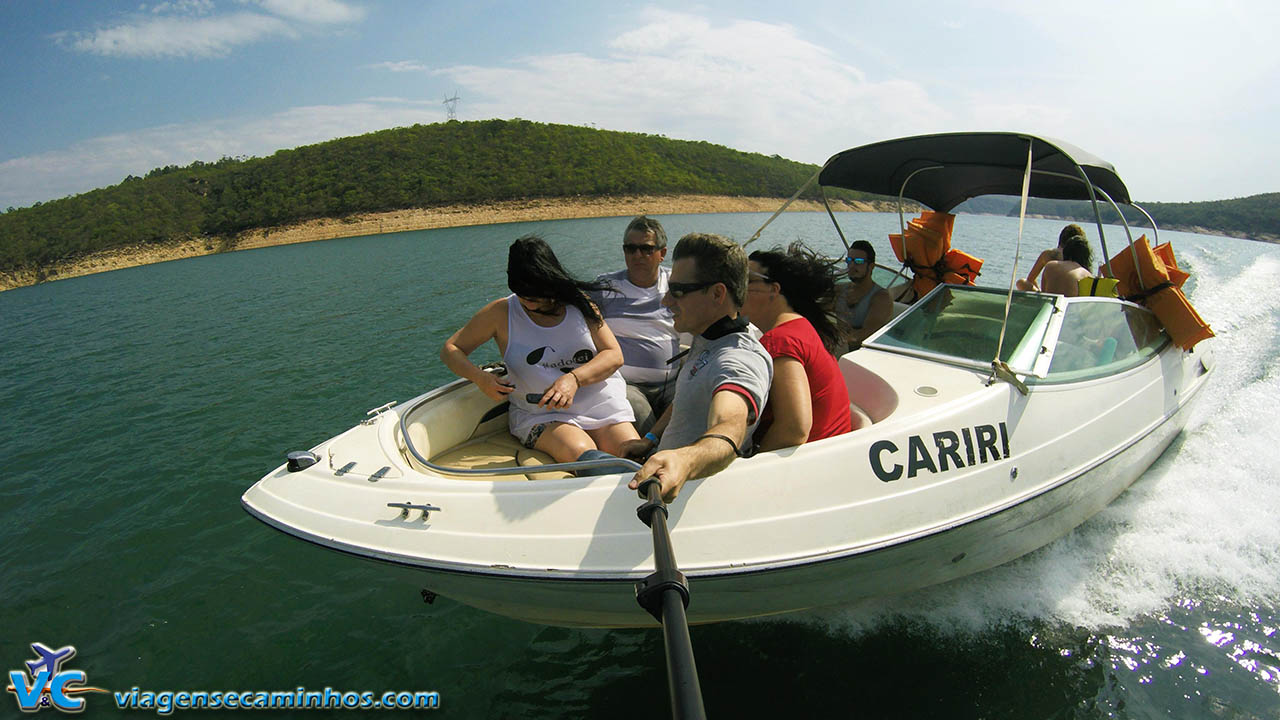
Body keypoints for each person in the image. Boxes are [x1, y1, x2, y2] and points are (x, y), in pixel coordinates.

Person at [440, 235, 639, 466]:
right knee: (582, 452)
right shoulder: (500, 313)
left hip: (599, 402)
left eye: (536, 295)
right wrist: (480, 378)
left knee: (630, 453)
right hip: (541, 414)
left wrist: (573, 379)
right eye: (523, 294)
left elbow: (614, 355)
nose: (529, 302)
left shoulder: (580, 304)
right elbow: (451, 349)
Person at [621, 233, 773, 502]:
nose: (666, 301)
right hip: (660, 468)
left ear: (717, 293)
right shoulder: (707, 338)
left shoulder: (738, 359)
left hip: (677, 492)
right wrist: (651, 438)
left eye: (678, 292)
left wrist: (684, 462)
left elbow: (729, 427)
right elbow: (686, 397)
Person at [744, 242, 852, 452]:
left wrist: (750, 463)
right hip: (832, 453)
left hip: (811, 464)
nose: (738, 288)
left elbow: (794, 429)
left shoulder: (781, 342)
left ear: (774, 290)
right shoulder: (801, 327)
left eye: (747, 280)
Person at [589, 216, 682, 435]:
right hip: (625, 383)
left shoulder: (676, 283)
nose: (637, 255)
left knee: (692, 403)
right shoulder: (605, 286)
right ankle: (651, 457)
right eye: (630, 249)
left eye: (646, 249)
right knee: (639, 412)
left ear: (662, 253)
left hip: (671, 382)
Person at [832, 240, 893, 349]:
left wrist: (834, 339)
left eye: (858, 261)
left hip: (861, 356)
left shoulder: (881, 298)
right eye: (849, 260)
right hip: (839, 349)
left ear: (871, 266)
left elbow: (867, 335)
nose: (851, 266)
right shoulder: (839, 290)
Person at [1017, 224, 1085, 292]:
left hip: (1049, 294)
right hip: (1069, 296)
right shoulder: (1079, 259)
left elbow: (1031, 279)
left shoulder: (1048, 255)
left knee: (1021, 282)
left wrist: (1039, 291)